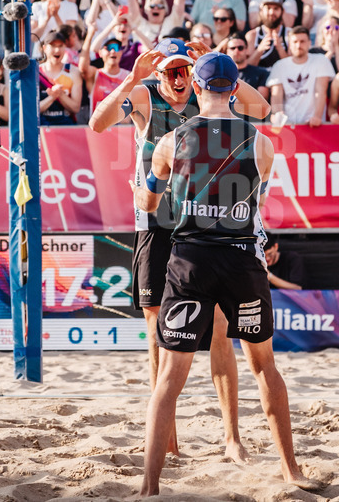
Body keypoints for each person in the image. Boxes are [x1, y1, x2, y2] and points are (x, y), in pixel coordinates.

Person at [132, 51, 318, 496]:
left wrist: (148, 185)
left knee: (170, 377)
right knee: (264, 368)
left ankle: (149, 485)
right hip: (240, 261)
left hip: (190, 259)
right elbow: (257, 204)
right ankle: (291, 472)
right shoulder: (261, 143)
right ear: (234, 88)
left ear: (195, 87)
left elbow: (148, 206)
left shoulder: (170, 141)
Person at [90, 39, 269, 462]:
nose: (177, 76)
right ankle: (167, 439)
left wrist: (217, 65)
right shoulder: (143, 95)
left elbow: (260, 110)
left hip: (202, 225)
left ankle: (232, 439)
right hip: (155, 221)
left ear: (195, 73)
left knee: (221, 330)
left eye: (184, 69)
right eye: (170, 69)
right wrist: (130, 79)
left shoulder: (210, 98)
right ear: (158, 73)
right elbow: (98, 124)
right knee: (157, 332)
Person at [267, 27, 336, 126]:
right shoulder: (279, 66)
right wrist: (278, 115)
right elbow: (276, 96)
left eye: (302, 41)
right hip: (288, 126)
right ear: (290, 45)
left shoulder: (321, 61)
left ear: (309, 43)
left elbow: (320, 91)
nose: (298, 45)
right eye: (295, 42)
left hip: (314, 125)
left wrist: (317, 117)